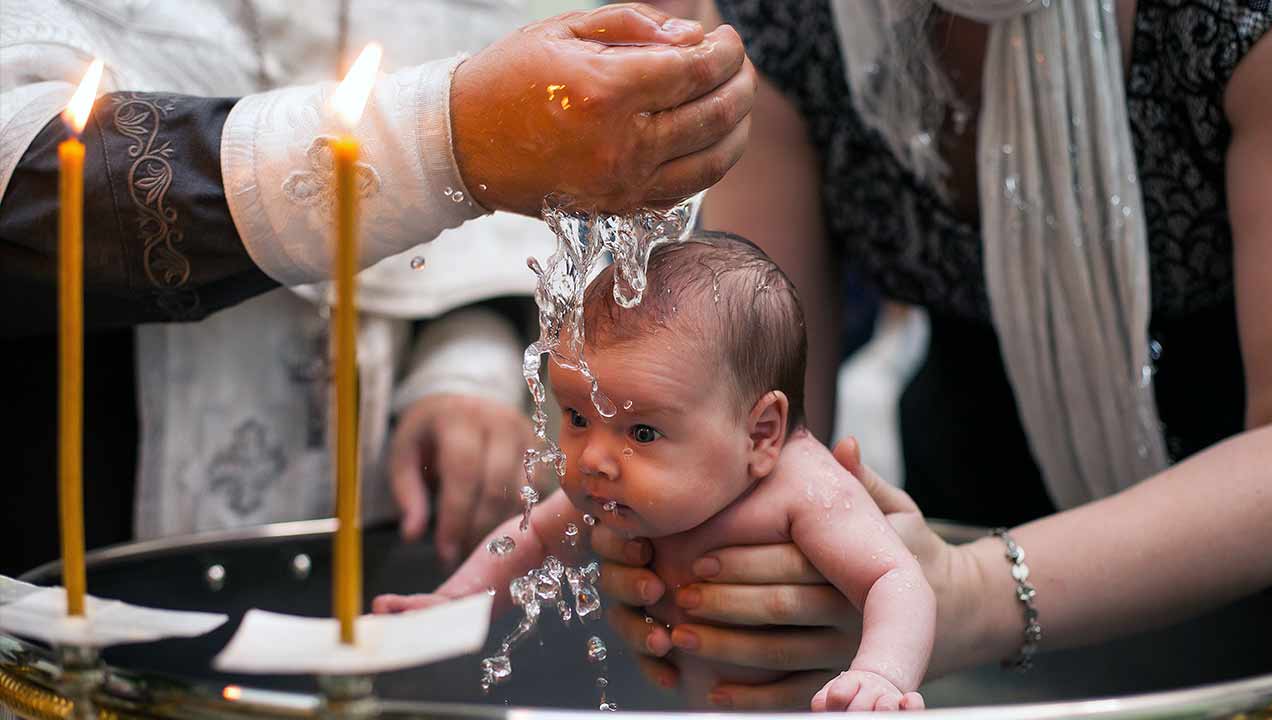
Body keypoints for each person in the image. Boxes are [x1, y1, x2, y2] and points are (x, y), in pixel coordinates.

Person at [593, 0, 1272, 709]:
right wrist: (694, 544)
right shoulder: (781, 17)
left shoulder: (1239, 19)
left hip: (1243, 559)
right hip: (961, 487)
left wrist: (973, 594)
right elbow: (744, 399)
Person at [0, 1, 755, 576]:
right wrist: (444, 139)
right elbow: (35, 186)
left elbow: (508, 197)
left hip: (391, 525)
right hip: (73, 495)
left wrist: (466, 359)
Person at [373, 233, 935, 712]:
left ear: (761, 433)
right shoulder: (610, 489)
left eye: (641, 432)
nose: (593, 458)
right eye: (577, 417)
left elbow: (896, 579)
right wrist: (454, 602)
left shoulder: (804, 489)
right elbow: (530, 539)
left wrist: (880, 675)